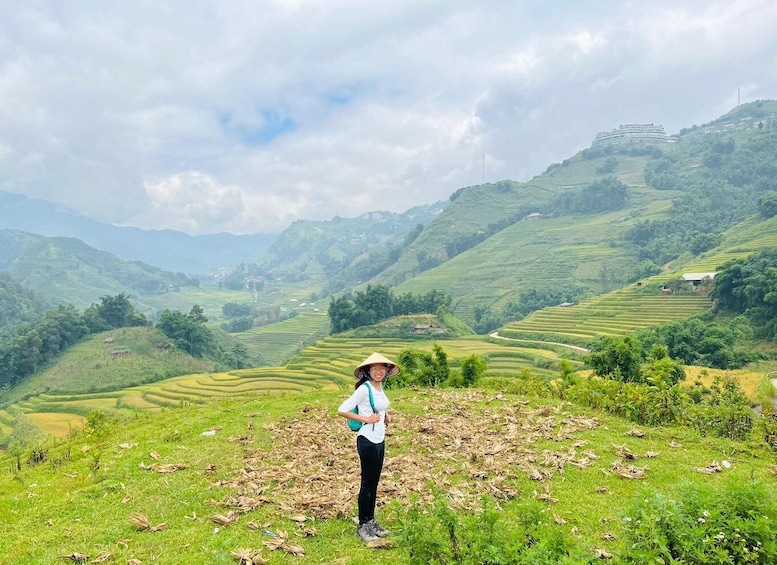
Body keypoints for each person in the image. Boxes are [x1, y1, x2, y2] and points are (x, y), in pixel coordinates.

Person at [337, 352, 400, 542]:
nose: (379, 372)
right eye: (375, 369)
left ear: (387, 371)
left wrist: (385, 416)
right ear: (368, 371)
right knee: (367, 483)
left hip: (379, 438)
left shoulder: (378, 387)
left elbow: (379, 407)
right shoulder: (364, 389)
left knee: (374, 482)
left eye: (382, 368)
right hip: (367, 439)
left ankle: (371, 521)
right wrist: (366, 418)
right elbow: (342, 410)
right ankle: (363, 525)